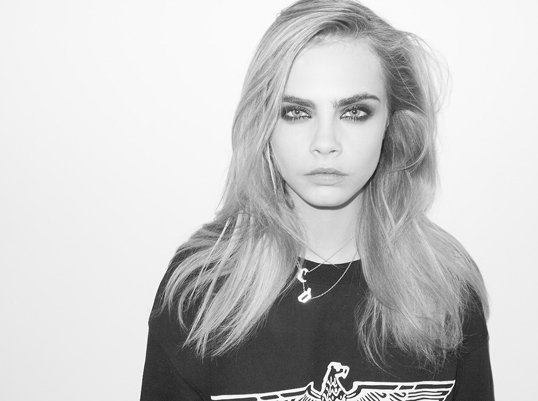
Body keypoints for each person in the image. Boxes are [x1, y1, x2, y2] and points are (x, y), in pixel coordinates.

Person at [141, 0, 494, 399]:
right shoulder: (201, 289)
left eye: (354, 112)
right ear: (263, 123)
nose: (325, 143)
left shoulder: (444, 284)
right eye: (296, 112)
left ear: (393, 124)